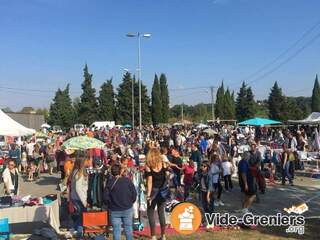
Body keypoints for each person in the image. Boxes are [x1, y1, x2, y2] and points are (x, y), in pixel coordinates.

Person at [104, 164, 137, 240]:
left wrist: (110, 204)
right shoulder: (127, 181)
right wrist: (130, 202)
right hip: (127, 208)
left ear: (112, 172)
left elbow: (105, 197)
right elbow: (134, 194)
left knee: (116, 230)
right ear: (120, 171)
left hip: (114, 209)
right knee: (128, 228)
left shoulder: (109, 182)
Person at [145, 148, 169, 240]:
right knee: (161, 212)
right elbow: (167, 175)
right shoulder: (163, 163)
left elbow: (150, 182)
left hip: (154, 191)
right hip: (162, 190)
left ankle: (153, 236)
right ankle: (163, 235)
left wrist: (148, 195)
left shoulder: (148, 166)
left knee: (150, 213)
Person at [70, 151, 88, 239]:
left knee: (80, 217)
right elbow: (78, 189)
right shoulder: (79, 173)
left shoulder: (75, 171)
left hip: (75, 198)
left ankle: (76, 232)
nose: (86, 163)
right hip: (79, 199)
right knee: (81, 217)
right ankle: (76, 233)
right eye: (85, 162)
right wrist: (84, 201)